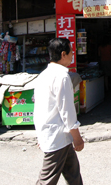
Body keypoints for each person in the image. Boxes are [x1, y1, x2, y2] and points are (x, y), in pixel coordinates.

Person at [34, 38, 84, 185]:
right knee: (47, 180)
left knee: (73, 173)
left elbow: (39, 107)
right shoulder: (62, 77)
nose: (73, 55)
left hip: (59, 135)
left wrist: (41, 134)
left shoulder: (43, 75)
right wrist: (77, 137)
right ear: (63, 54)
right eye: (71, 52)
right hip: (57, 137)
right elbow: (67, 111)